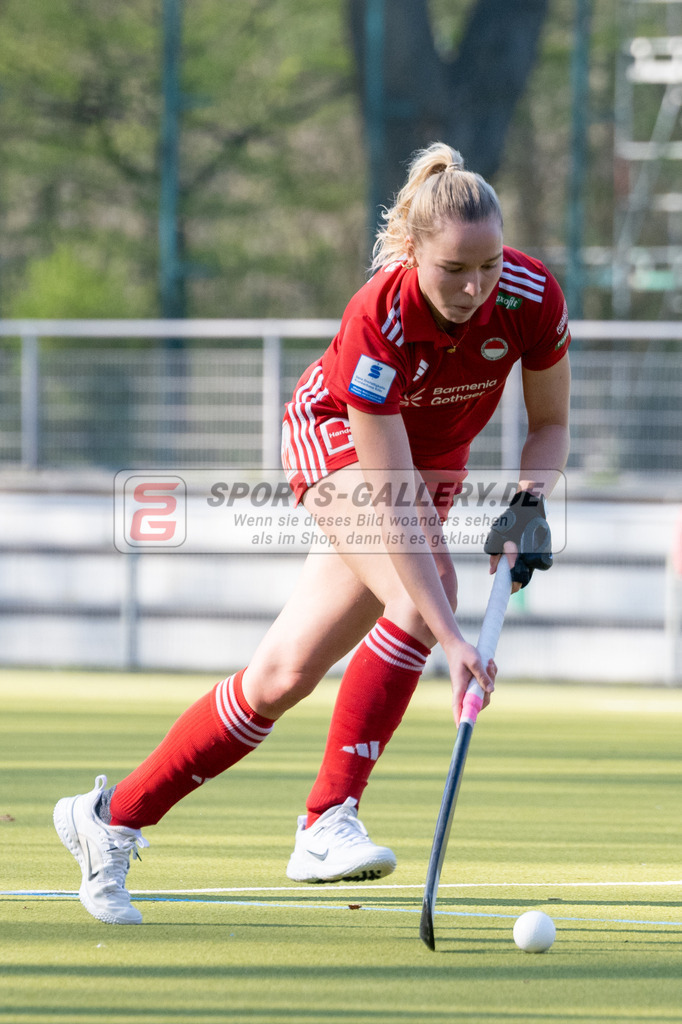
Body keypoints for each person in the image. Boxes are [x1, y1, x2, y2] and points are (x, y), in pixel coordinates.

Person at [54, 142, 570, 925]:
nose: (474, 288)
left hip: (432, 463)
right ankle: (328, 818)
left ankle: (110, 818)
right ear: (411, 254)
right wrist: (453, 640)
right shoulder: (379, 317)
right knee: (424, 593)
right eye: (453, 270)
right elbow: (390, 503)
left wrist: (529, 503)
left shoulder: (532, 297)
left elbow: (551, 421)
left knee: (282, 677)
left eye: (488, 266)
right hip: (335, 436)